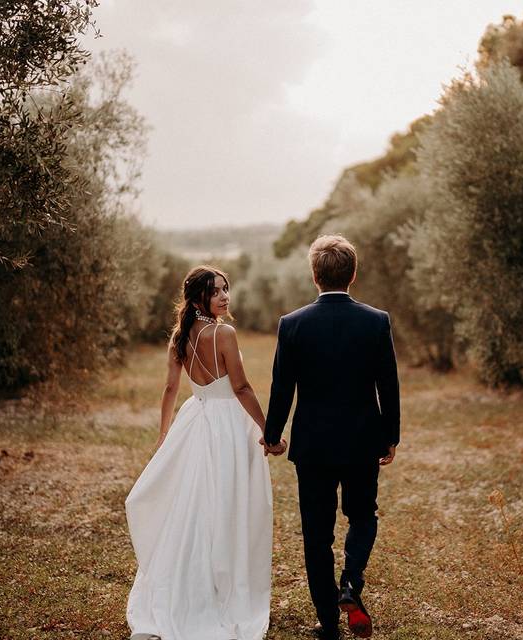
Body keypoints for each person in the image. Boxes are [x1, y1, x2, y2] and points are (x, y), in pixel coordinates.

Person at [124, 265, 285, 640]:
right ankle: (221, 589)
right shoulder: (223, 333)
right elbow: (242, 388)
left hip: (195, 419)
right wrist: (269, 433)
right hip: (228, 424)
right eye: (216, 292)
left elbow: (169, 389)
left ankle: (197, 582)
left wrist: (166, 434)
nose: (225, 296)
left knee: (197, 505)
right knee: (229, 505)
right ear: (199, 299)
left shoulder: (179, 338)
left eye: (226, 289)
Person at [262, 235, 401, 640]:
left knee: (317, 535)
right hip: (361, 441)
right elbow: (387, 385)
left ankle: (328, 621)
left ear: (314, 276)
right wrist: (389, 435)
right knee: (363, 516)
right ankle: (351, 583)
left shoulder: (293, 324)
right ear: (353, 274)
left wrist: (272, 435)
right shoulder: (377, 321)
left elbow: (281, 388)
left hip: (314, 446)